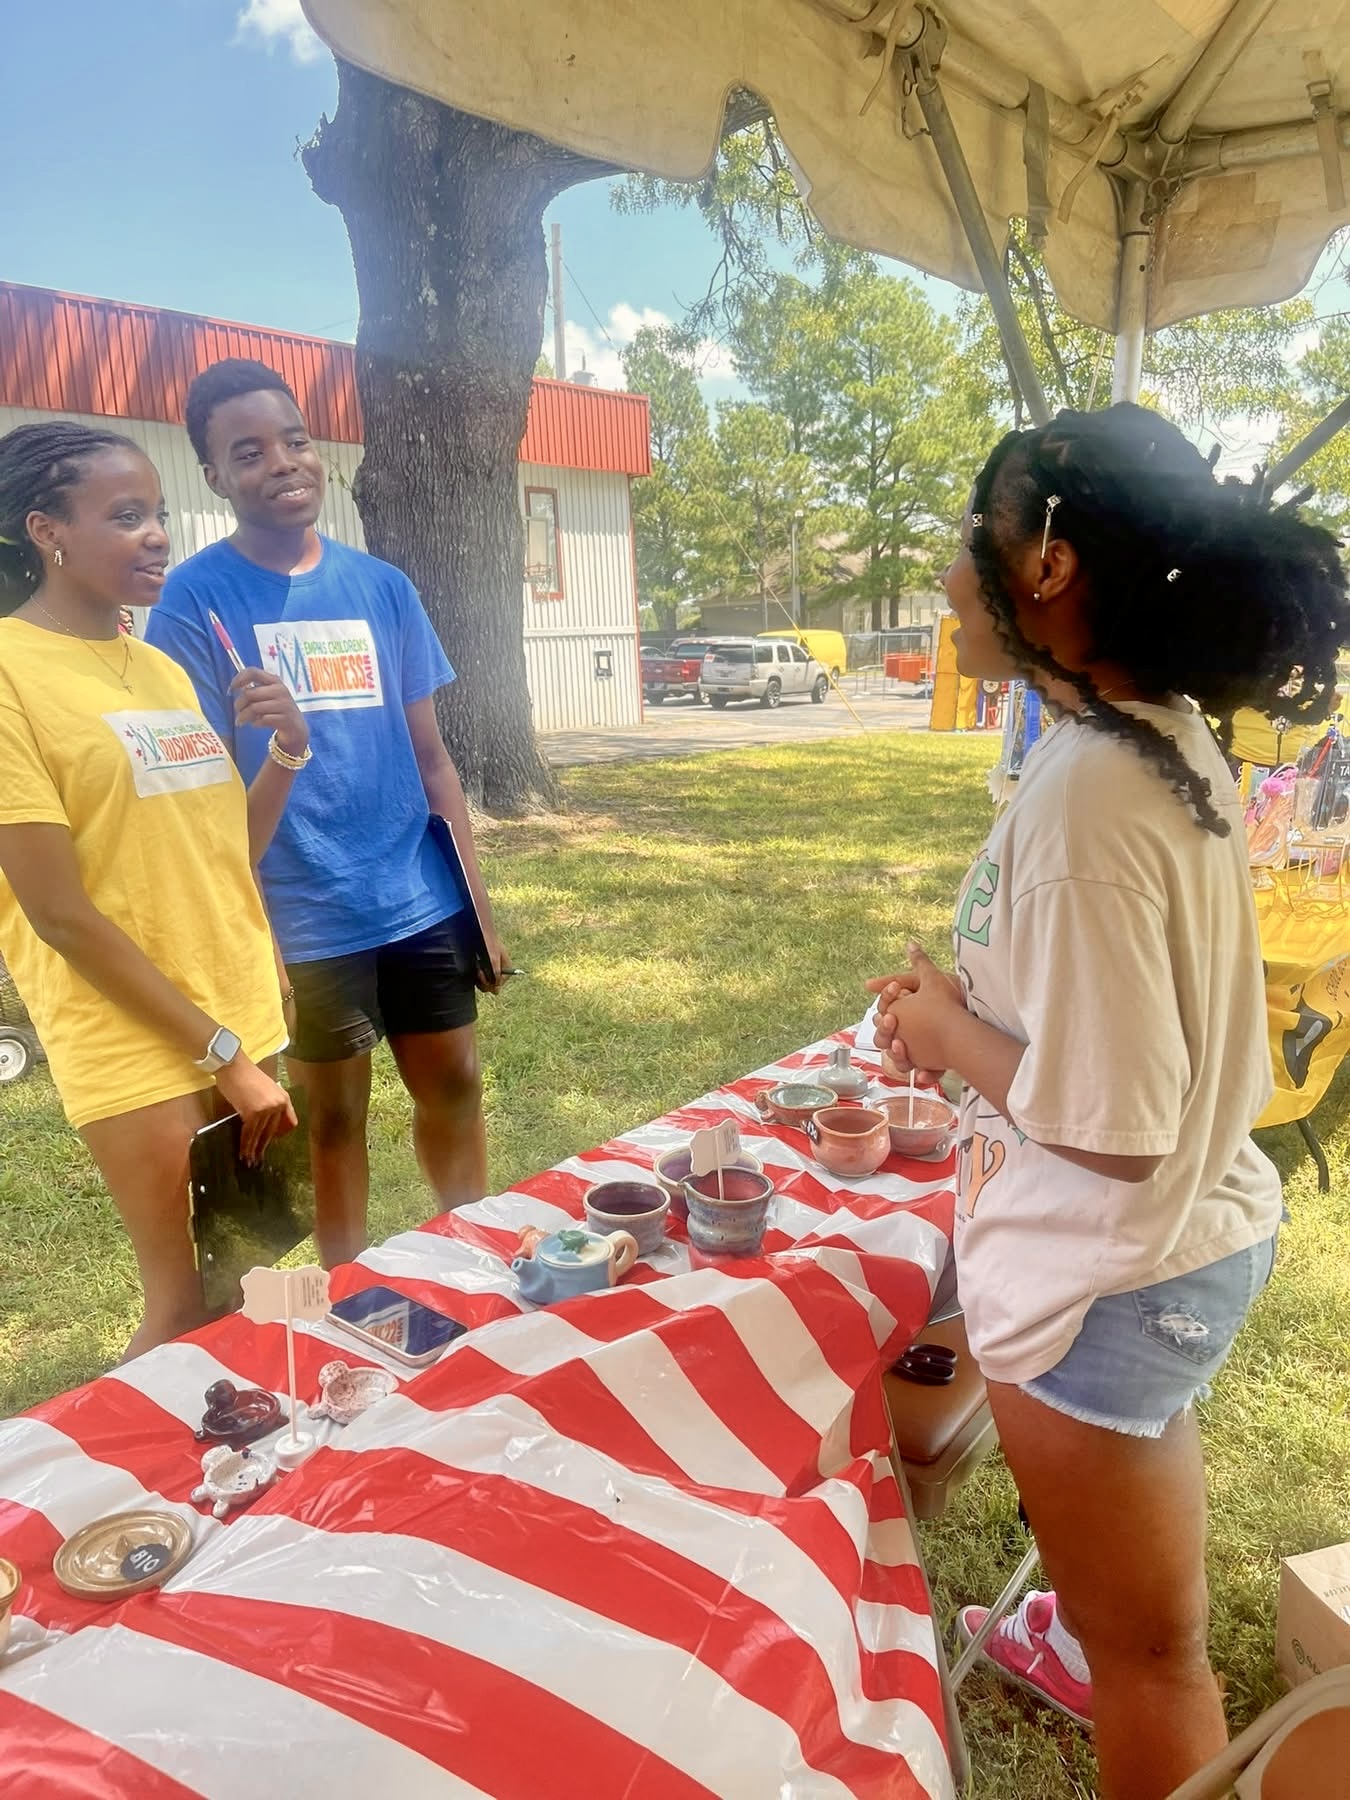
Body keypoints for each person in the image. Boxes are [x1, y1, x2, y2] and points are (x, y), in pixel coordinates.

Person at [868, 404, 1350, 1800]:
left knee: (1150, 1659)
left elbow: (1114, 1124)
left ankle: (1093, 1647)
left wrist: (949, 1029)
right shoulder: (1153, 736)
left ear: (1048, 568)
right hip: (1169, 1254)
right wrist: (965, 1013)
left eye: (976, 537)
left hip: (1114, 1275)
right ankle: (1075, 1627)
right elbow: (1118, 1021)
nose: (951, 573)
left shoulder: (1089, 793)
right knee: (1142, 1626)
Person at [146, 358, 509, 1270]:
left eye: (295, 440)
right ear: (215, 476)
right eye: (249, 451)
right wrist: (248, 928)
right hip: (300, 910)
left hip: (417, 894)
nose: (282, 463)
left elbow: (432, 757)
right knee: (333, 1117)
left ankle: (470, 1258)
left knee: (455, 1084)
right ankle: (350, 1293)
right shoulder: (195, 599)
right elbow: (197, 791)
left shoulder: (383, 586)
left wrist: (479, 907)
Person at [0, 421, 310, 1358]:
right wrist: (220, 1054)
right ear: (45, 530)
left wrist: (287, 753)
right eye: (126, 516)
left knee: (248, 1287)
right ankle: (110, 1502)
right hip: (138, 1039)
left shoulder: (164, 666)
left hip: (239, 1018)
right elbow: (59, 914)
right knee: (182, 1310)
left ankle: (231, 1494)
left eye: (161, 514)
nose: (157, 536)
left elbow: (225, 851)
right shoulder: (10, 674)